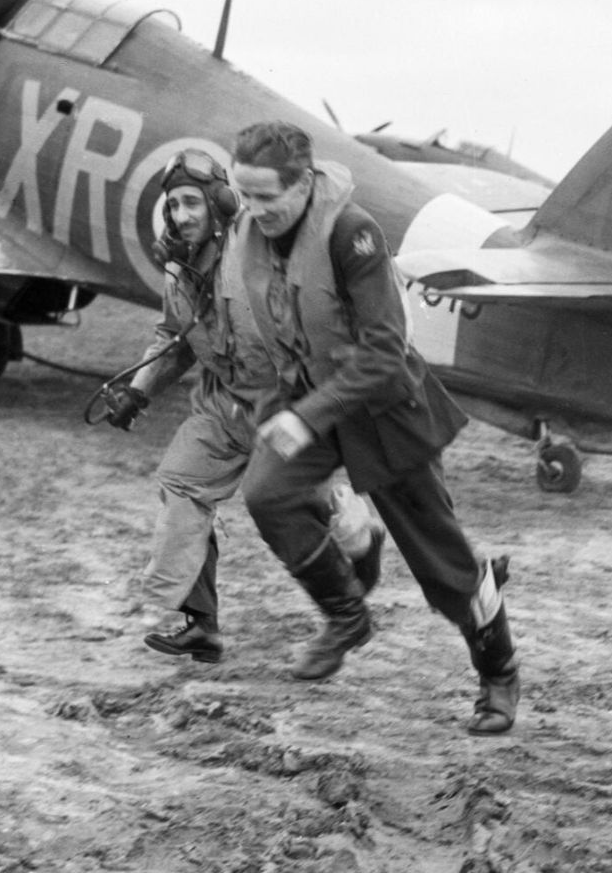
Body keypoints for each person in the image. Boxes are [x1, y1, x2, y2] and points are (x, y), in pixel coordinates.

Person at [225, 120, 521, 737]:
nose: (253, 210)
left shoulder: (352, 234)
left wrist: (305, 418)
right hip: (312, 400)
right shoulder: (252, 232)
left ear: (304, 183)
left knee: (446, 571)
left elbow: (385, 351)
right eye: (243, 195)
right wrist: (278, 410)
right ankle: (346, 616)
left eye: (266, 197)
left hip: (385, 410)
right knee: (267, 495)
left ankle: (498, 673)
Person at [103, 151, 383, 665]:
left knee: (302, 504)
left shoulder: (260, 250)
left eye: (192, 202)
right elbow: (175, 335)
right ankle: (200, 626)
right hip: (222, 404)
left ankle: (360, 540)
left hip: (283, 404)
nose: (182, 215)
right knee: (182, 484)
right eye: (174, 205)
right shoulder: (179, 265)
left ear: (221, 202)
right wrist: (138, 389)